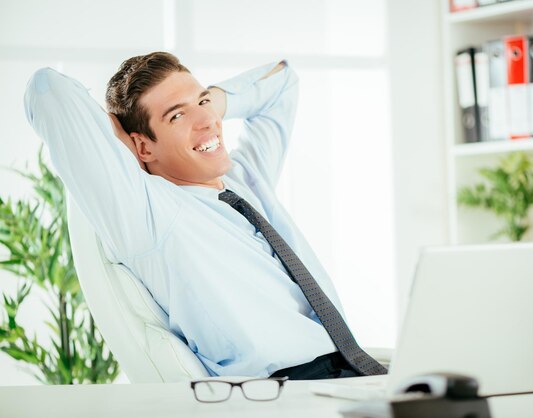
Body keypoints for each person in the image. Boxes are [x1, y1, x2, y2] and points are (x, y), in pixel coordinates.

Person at [24, 52, 385, 379]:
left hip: (354, 368)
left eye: (203, 102)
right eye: (176, 115)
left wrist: (205, 106)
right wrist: (118, 137)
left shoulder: (244, 181)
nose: (208, 121)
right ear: (142, 145)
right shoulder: (148, 214)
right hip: (287, 393)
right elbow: (47, 89)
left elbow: (282, 84)